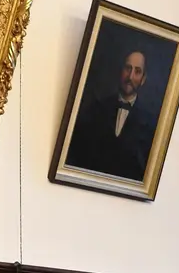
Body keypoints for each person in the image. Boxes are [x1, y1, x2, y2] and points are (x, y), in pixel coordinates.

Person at [64, 49, 157, 180]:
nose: (130, 77)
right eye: (127, 68)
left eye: (137, 71)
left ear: (143, 79)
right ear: (121, 71)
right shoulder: (96, 109)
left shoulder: (151, 123)